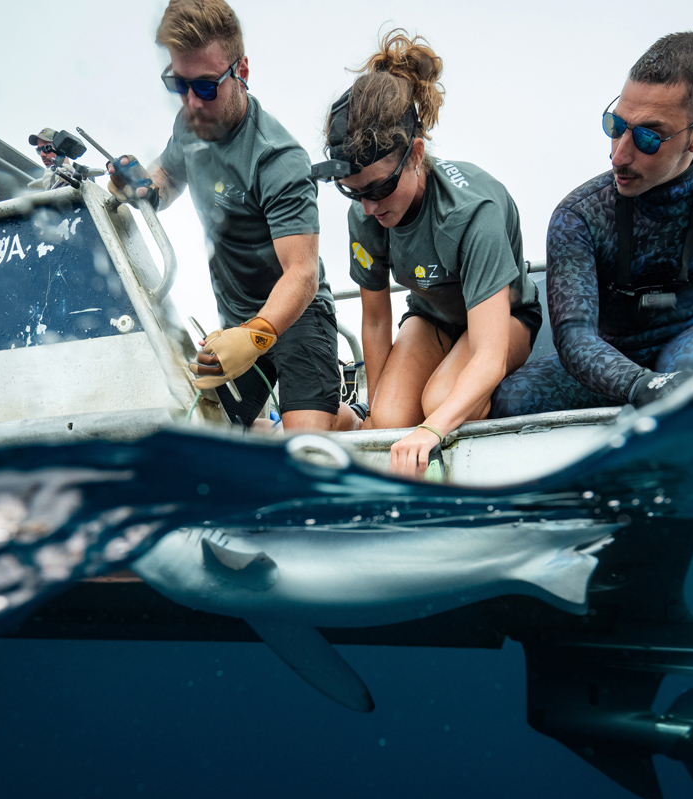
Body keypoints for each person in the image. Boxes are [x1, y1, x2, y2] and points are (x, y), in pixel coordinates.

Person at [494, 31, 693, 418]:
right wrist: (641, 384)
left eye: (648, 137)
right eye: (615, 125)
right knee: (509, 401)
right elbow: (573, 336)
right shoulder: (578, 215)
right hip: (611, 353)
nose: (618, 155)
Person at [314, 30, 541, 478]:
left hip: (506, 321)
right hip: (433, 317)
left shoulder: (474, 213)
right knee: (393, 418)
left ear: (416, 154)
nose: (370, 207)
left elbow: (489, 354)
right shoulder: (365, 214)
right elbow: (377, 321)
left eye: (380, 188)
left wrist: (432, 430)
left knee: (440, 403)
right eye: (353, 192)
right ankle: (345, 421)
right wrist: (380, 424)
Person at [107, 0, 342, 430]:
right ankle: (280, 421)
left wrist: (254, 336)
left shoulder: (279, 159)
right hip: (231, 322)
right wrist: (139, 187)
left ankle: (344, 418)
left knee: (304, 449)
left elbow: (302, 274)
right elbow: (167, 179)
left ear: (242, 72)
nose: (193, 102)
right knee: (201, 434)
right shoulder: (188, 125)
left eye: (207, 86)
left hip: (298, 315)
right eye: (179, 84)